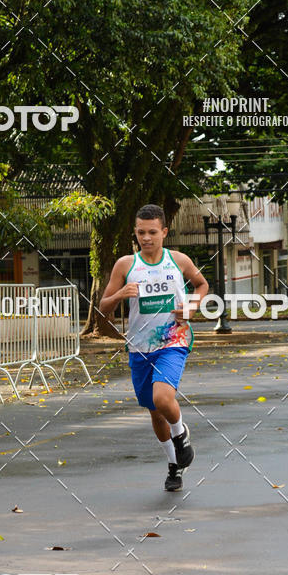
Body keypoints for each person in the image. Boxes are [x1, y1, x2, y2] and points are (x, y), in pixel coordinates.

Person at [100, 204, 208, 491]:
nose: (146, 238)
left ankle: (181, 433)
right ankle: (175, 465)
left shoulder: (179, 260)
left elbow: (201, 285)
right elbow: (103, 307)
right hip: (139, 347)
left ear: (164, 232)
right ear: (135, 233)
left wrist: (192, 306)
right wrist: (121, 293)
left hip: (173, 340)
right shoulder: (126, 265)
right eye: (140, 233)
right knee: (154, 411)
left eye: (152, 232)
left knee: (163, 398)